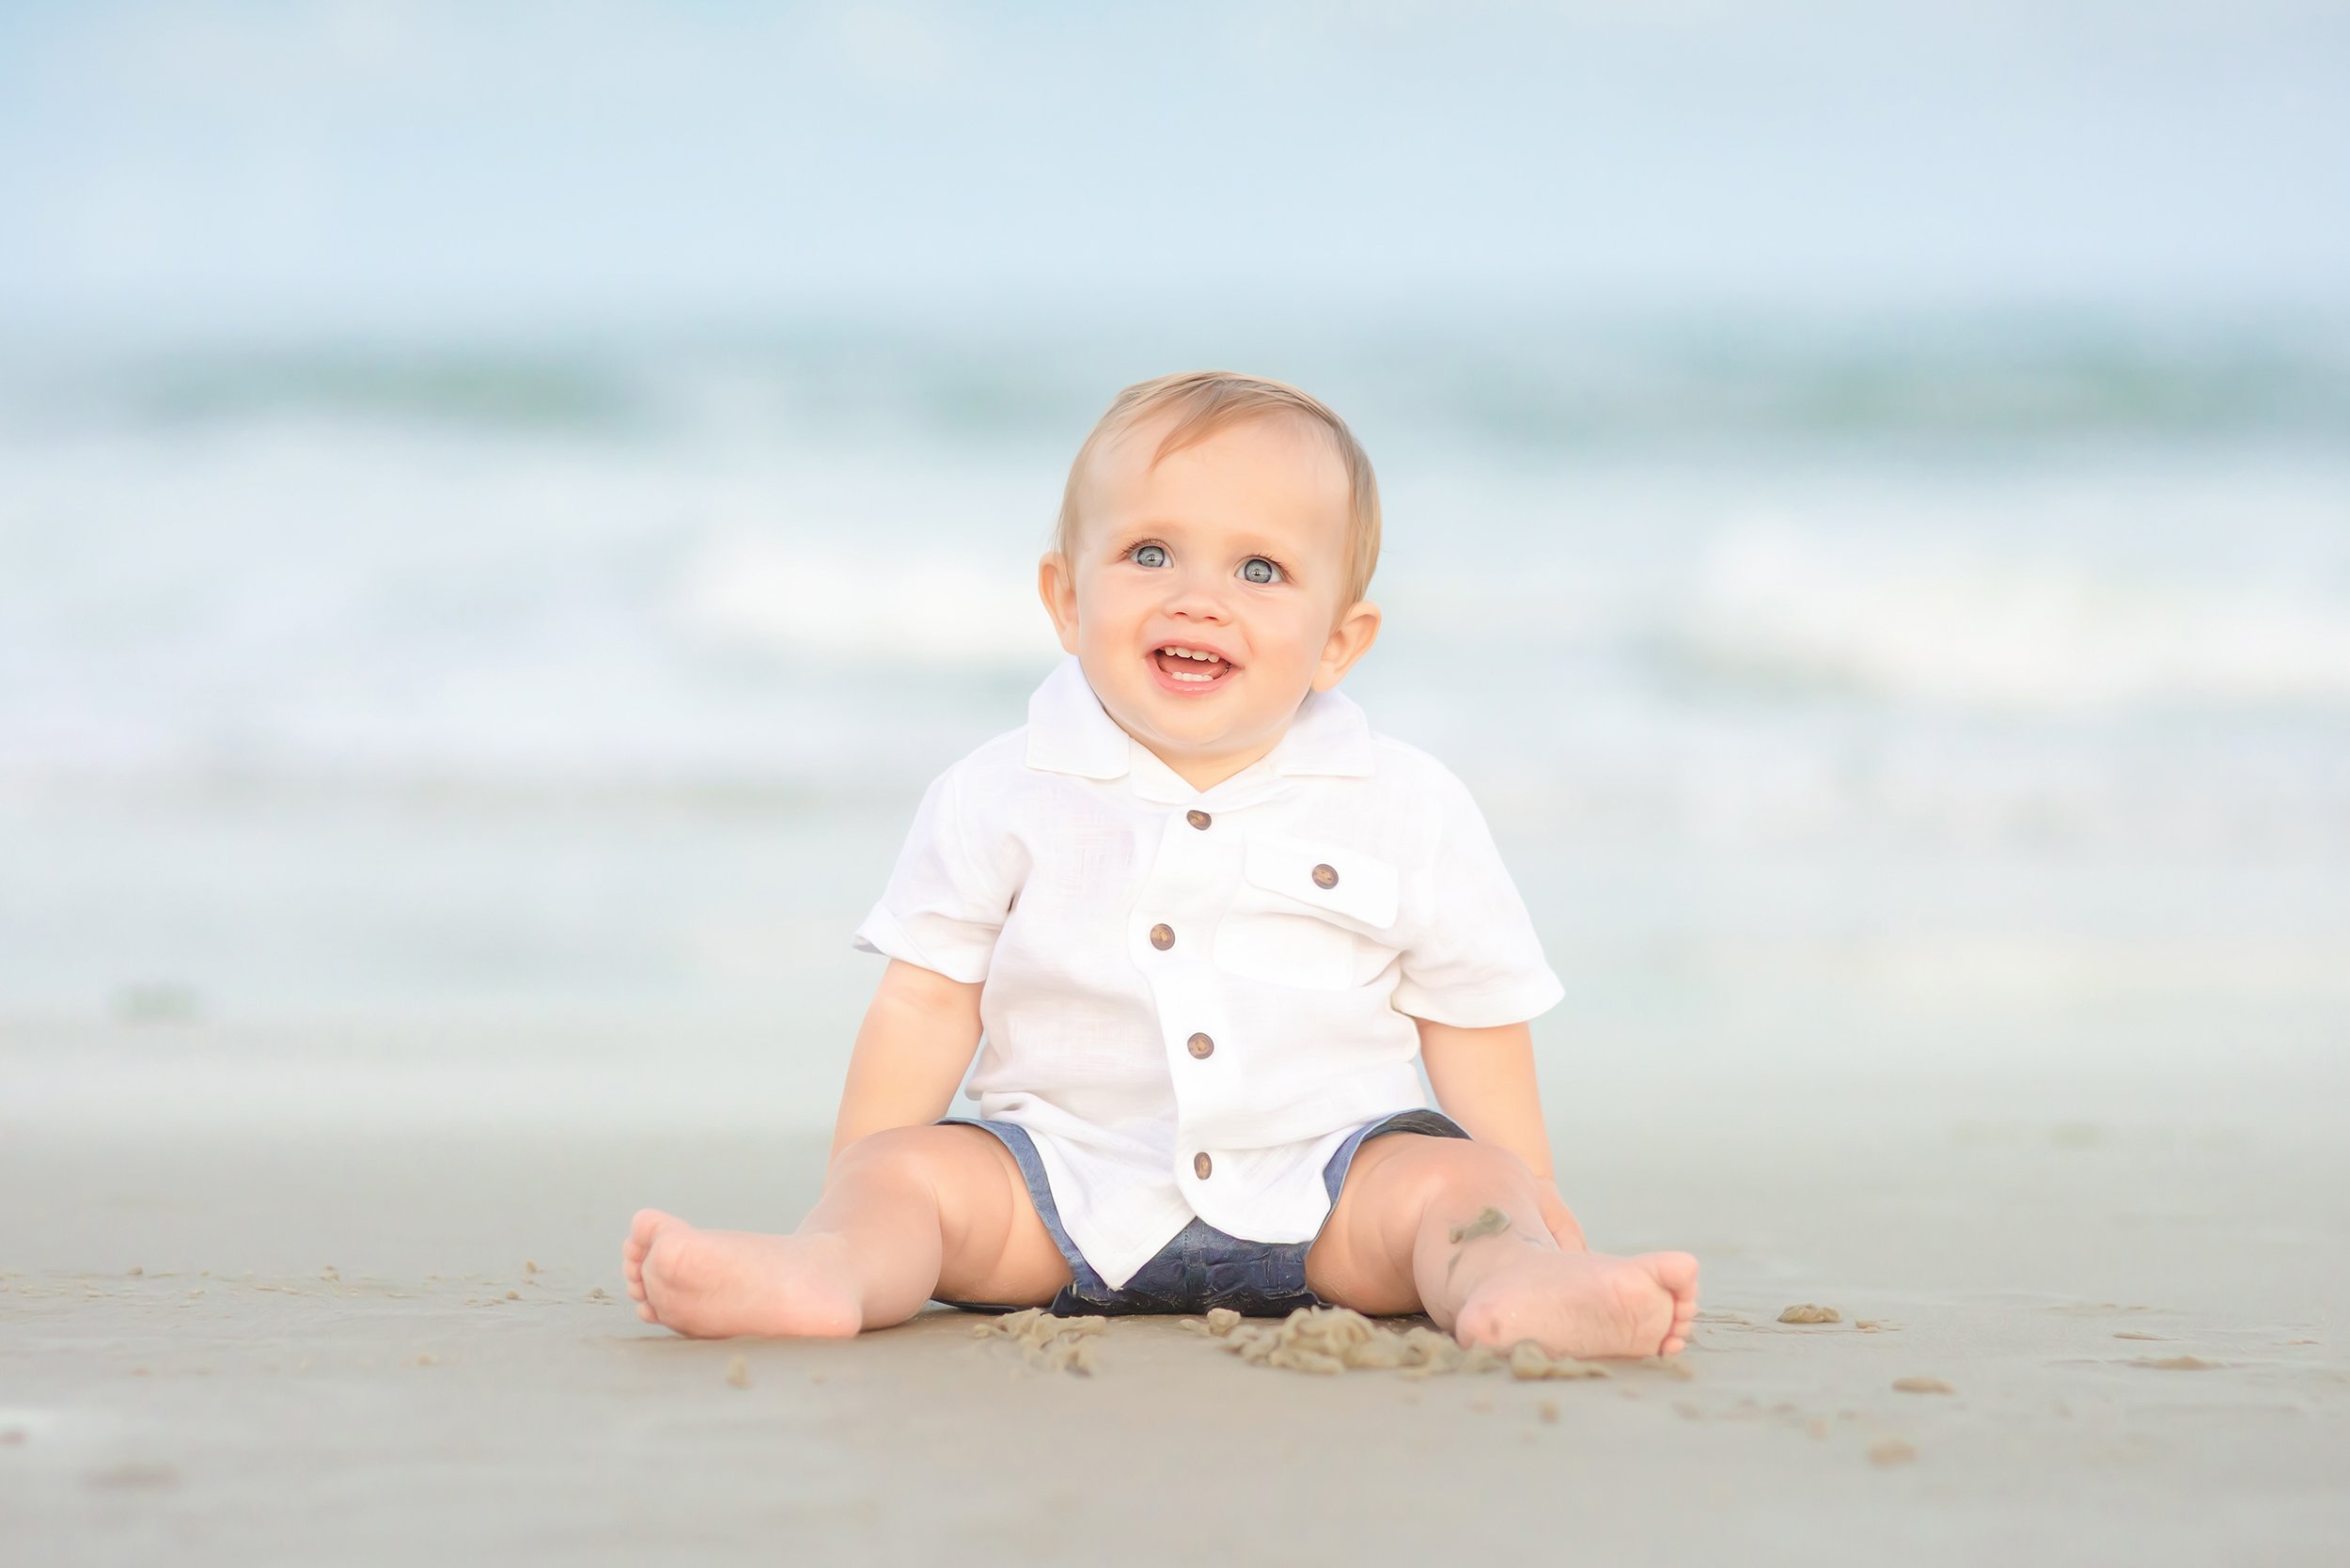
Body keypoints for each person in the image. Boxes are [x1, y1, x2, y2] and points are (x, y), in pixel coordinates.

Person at [623, 370, 1699, 1357]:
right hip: (1056, 1191)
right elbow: (923, 1005)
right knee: (910, 1178)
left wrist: (1530, 1195)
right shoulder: (999, 791)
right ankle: (831, 1272)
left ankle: (1512, 1286)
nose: (1197, 596)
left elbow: (1473, 1014)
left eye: (1261, 569)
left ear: (1338, 640)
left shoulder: (1405, 802)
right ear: (1065, 597)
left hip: (1324, 1193)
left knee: (1465, 1184)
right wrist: (856, 1184)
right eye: (1149, 554)